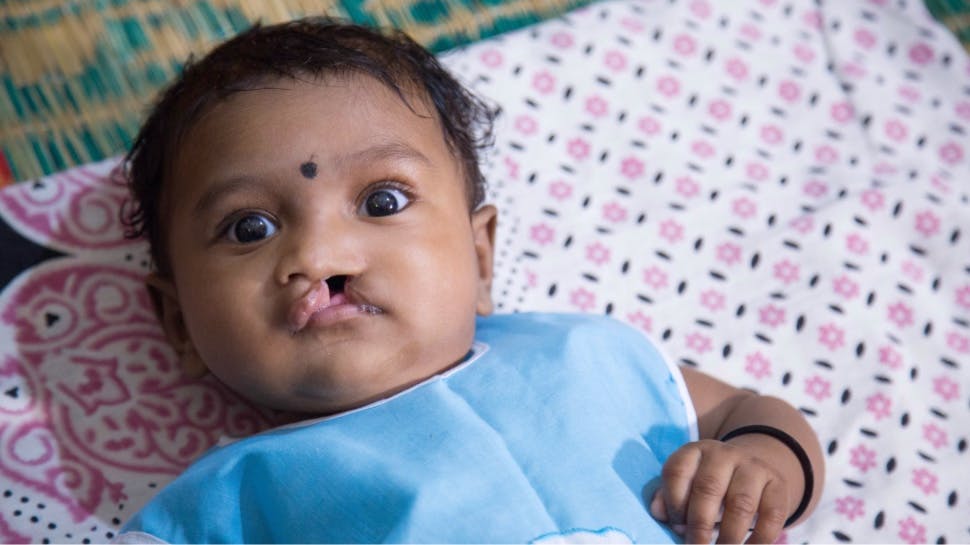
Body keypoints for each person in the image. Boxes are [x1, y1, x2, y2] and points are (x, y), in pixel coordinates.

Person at [115, 17, 824, 544]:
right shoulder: (236, 498)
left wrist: (758, 464)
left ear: (480, 255)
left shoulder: (583, 354)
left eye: (382, 201)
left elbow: (751, 411)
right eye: (250, 227)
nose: (322, 253)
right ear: (180, 324)